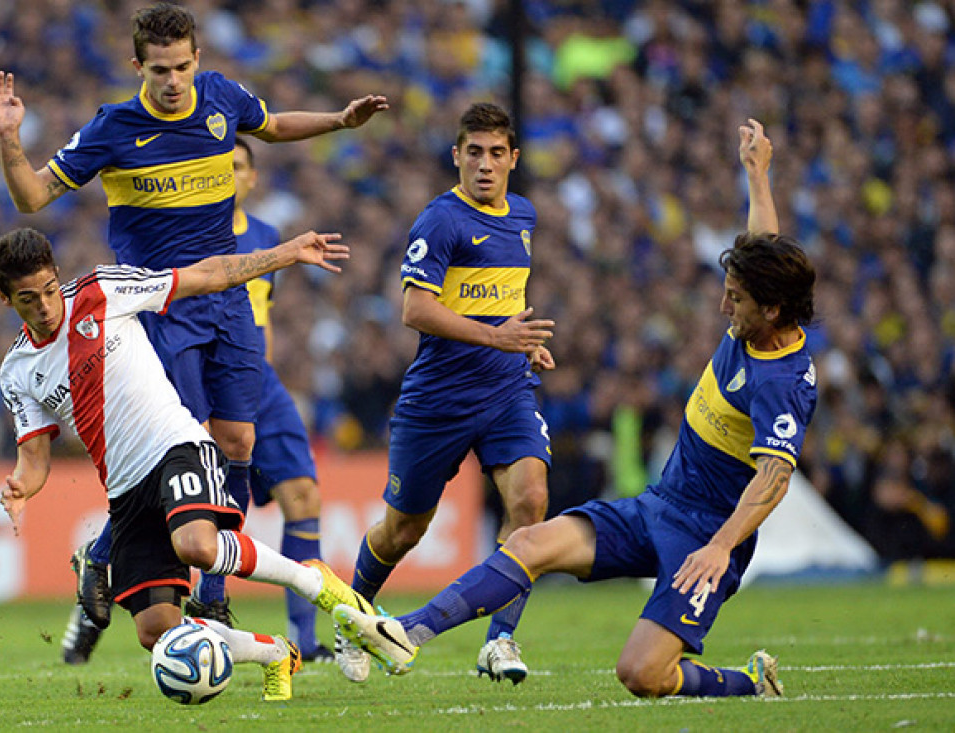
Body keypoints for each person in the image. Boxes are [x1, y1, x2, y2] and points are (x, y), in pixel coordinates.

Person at [333, 119, 817, 700]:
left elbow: (774, 476)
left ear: (771, 309)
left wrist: (719, 547)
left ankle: (749, 685)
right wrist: (757, 173)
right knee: (524, 541)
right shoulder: (755, 320)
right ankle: (407, 631)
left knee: (642, 675)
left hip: (707, 539)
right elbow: (763, 248)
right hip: (658, 506)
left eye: (735, 299)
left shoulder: (782, 380)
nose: (723, 306)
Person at [0, 1, 388, 632]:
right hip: (160, 307)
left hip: (227, 297)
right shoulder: (112, 129)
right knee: (182, 443)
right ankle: (142, 564)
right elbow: (31, 196)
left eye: (181, 68)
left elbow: (274, 125)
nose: (172, 83)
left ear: (198, 59)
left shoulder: (221, 99)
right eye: (159, 71)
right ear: (137, 66)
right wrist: (9, 137)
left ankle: (189, 580)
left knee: (238, 443)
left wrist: (339, 119)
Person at [0, 226, 375, 702]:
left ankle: (316, 583)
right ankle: (275, 652)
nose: (46, 307)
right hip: (126, 493)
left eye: (50, 290)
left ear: (58, 277)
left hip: (177, 446)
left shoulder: (102, 291)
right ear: (5, 299)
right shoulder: (17, 371)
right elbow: (34, 459)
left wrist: (284, 253)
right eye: (29, 299)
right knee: (158, 633)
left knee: (196, 544)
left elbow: (206, 275)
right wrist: (22, 487)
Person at [61, 137, 333, 665]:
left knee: (302, 495)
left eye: (237, 168)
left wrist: (257, 372)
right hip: (184, 363)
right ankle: (108, 564)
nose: (227, 176)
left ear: (252, 179)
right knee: (178, 484)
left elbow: (263, 313)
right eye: (217, 167)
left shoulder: (265, 237)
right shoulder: (174, 231)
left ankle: (304, 639)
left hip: (249, 372)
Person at [335, 102, 556, 684]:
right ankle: (353, 614)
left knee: (530, 502)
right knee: (402, 531)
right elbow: (415, 308)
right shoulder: (441, 220)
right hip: (438, 399)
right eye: (474, 152)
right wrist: (497, 335)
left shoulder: (524, 216)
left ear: (513, 159)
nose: (485, 164)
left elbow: (497, 300)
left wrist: (522, 345)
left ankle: (500, 641)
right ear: (456, 156)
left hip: (508, 390)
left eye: (496, 153)